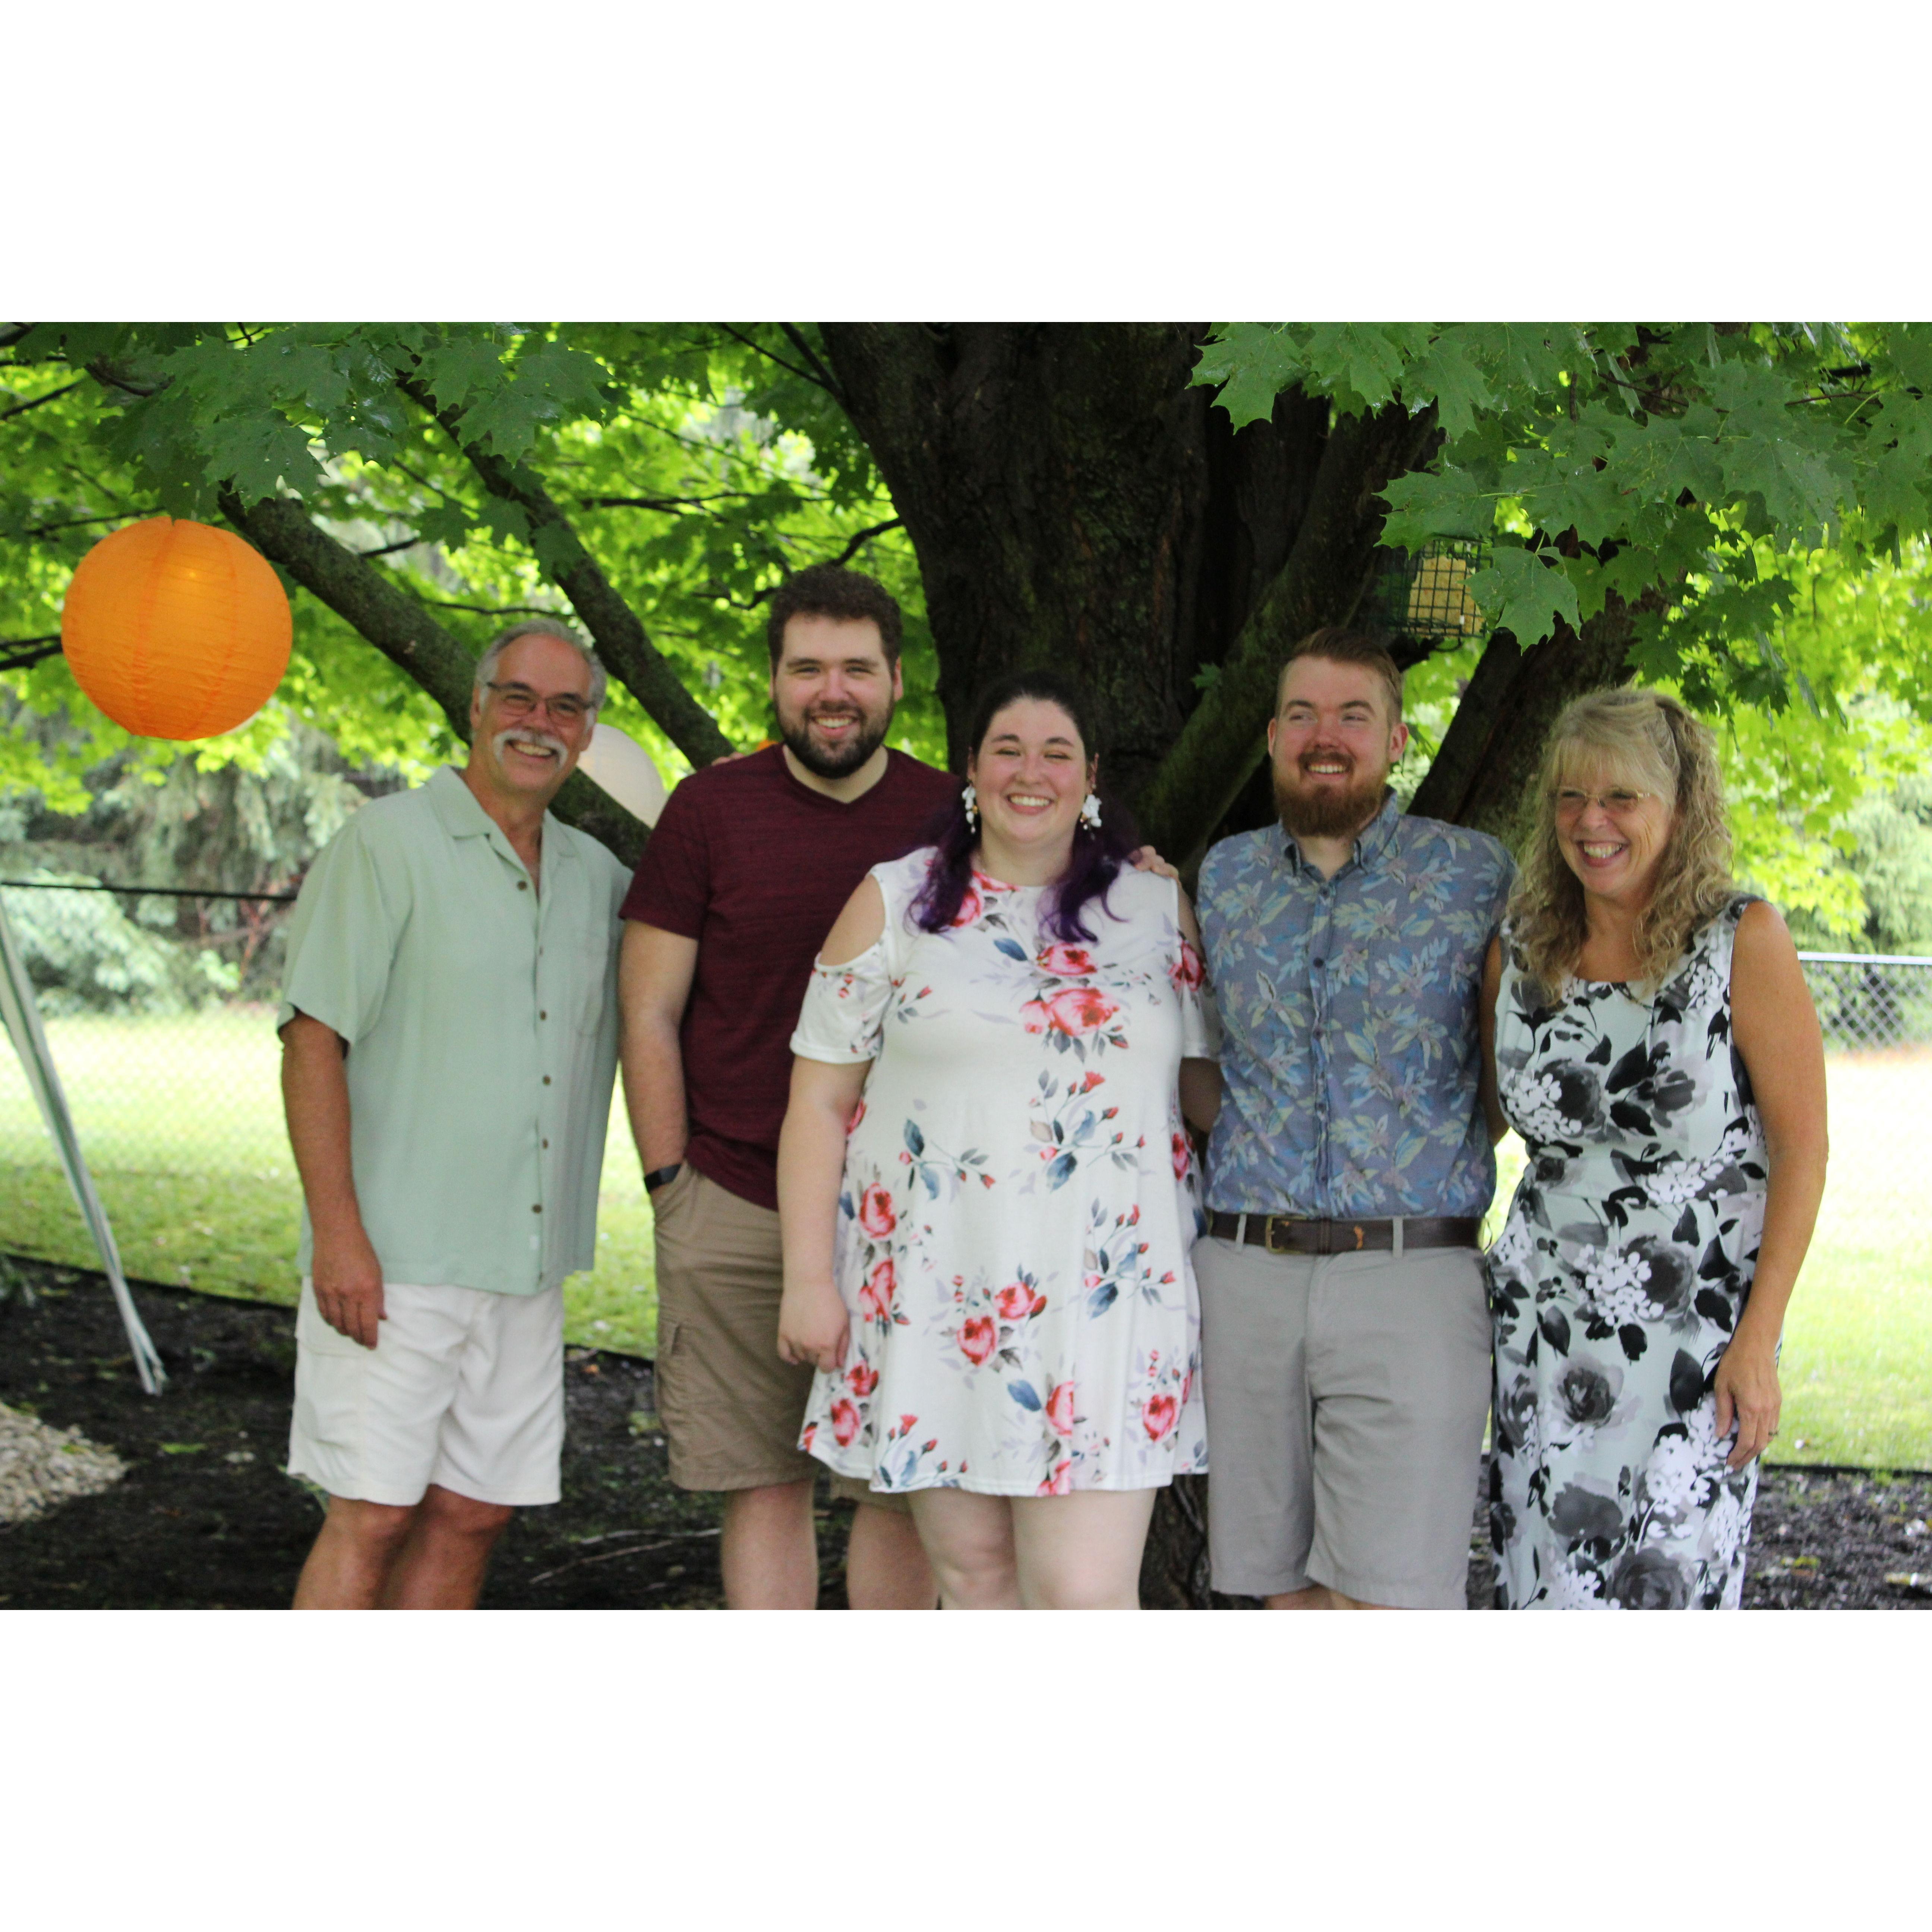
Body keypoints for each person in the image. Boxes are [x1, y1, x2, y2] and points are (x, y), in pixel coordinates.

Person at [775, 669, 1219, 1610]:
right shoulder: (895, 904)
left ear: (1091, 776)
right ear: (970, 769)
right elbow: (817, 1104)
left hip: (1107, 1304)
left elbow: (1204, 1095)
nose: (1033, 771)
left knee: (1084, 1598)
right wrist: (809, 1279)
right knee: (974, 1583)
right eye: (1008, 749)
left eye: (1057, 752)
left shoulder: (1154, 913)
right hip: (937, 1295)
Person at [618, 565, 956, 1610]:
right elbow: (649, 1012)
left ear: (897, 681)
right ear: (776, 681)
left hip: (906, 1216)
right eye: (808, 668)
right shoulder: (708, 810)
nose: (833, 690)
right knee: (761, 1481)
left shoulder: (956, 814)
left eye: (856, 668)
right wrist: (672, 1181)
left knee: (891, 1487)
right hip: (733, 1196)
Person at [281, 619, 628, 1609]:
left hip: (526, 1268)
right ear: (476, 707)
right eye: (518, 696)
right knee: (372, 1513)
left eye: (567, 707)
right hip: (393, 1263)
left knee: (476, 1512)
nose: (539, 722)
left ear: (589, 735)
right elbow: (312, 1044)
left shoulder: (596, 880)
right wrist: (339, 1235)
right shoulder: (385, 845)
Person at [1479, 687, 1827, 1609]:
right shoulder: (1518, 948)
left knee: (1665, 1595)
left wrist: (1759, 1339)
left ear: (1678, 808)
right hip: (1540, 1337)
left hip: (1694, 1347)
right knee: (1542, 1591)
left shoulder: (1741, 941)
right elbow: (1485, 1118)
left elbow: (1803, 1149)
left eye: (1621, 798)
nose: (1590, 823)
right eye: (1569, 797)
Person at [1192, 626, 1515, 1610]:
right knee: (1275, 1595)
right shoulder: (1221, 879)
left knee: (1392, 1600)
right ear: (1271, 735)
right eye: (1302, 715)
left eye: (1352, 716)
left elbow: (1514, 1075)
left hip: (1412, 1276)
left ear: (1398, 739)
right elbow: (1199, 1066)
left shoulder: (1474, 876)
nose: (1324, 736)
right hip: (1245, 1275)